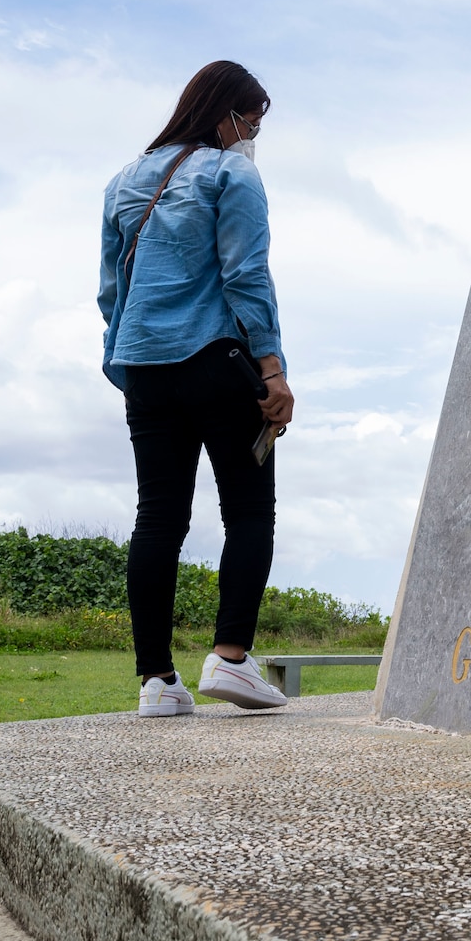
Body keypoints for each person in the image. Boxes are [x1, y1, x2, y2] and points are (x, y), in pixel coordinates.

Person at [98, 59, 296, 716]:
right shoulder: (232, 172)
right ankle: (231, 657)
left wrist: (137, 347)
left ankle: (157, 681)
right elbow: (245, 274)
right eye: (251, 121)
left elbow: (109, 292)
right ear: (225, 116)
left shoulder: (123, 182)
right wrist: (271, 370)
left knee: (159, 517)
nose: (252, 135)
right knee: (247, 510)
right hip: (218, 358)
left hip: (144, 368)